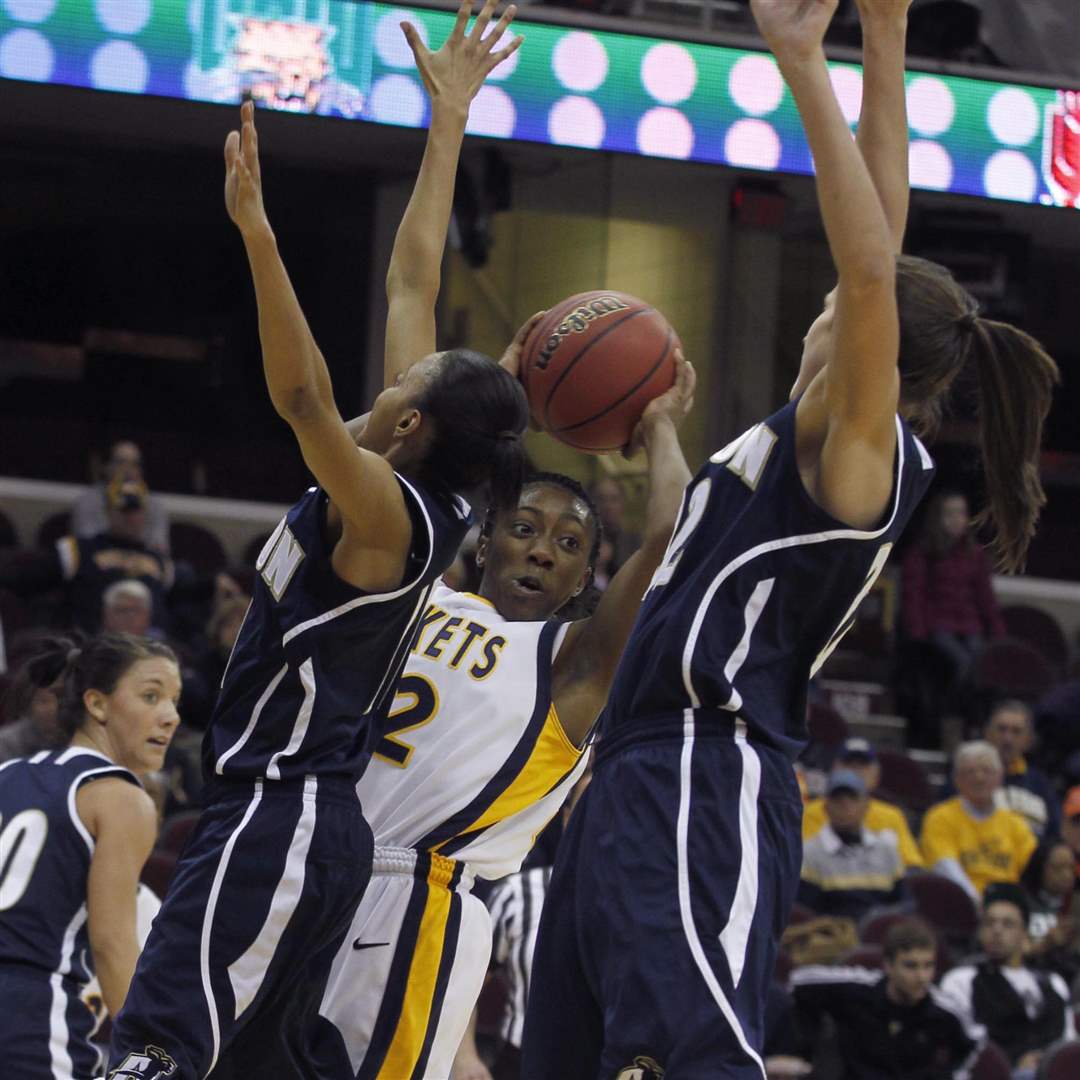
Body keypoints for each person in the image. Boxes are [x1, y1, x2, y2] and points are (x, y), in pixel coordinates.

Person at [520, 0, 1058, 1074]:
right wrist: (890, 36)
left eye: (843, 304)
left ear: (872, 343)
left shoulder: (864, 453)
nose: (827, 302)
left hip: (702, 764)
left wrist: (807, 60)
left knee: (686, 1059)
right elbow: (678, 540)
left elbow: (871, 264)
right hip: (633, 766)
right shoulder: (783, 445)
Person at [105, 66, 530, 1079]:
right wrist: (450, 124)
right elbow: (412, 280)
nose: (397, 376)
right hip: (312, 826)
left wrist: (257, 232)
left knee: (154, 1056)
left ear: (415, 422)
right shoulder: (434, 493)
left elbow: (301, 398)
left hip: (276, 817)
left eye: (410, 383)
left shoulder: (382, 508)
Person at [301, 8, 694, 1076]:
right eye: (526, 526)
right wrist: (448, 123)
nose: (544, 547)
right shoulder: (413, 576)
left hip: (422, 910)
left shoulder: (573, 666)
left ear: (582, 579)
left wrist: (658, 428)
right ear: (483, 540)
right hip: (306, 868)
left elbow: (667, 532)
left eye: (569, 544)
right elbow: (409, 304)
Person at [0, 633, 180, 1080]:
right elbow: (112, 944)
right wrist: (151, 1050)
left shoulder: (6, 772)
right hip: (29, 1013)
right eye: (151, 696)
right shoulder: (120, 798)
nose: (170, 717)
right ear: (97, 705)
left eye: (175, 701)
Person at [788, 918, 985, 1079]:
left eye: (928, 966)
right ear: (888, 965)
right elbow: (799, 981)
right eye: (910, 966)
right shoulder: (858, 989)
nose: (922, 976)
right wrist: (808, 1050)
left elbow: (975, 1041)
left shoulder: (944, 1010)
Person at [940, 883, 1076, 1074]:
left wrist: (1045, 1061)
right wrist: (1013, 1062)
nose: (997, 930)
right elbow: (960, 1048)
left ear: (1025, 933)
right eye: (989, 923)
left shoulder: (1053, 983)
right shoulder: (962, 980)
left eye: (1008, 924)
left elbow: (1068, 1046)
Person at [901, 490, 1005, 683]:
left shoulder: (975, 554)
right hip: (937, 625)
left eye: (961, 513)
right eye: (950, 513)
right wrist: (917, 632)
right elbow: (913, 596)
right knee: (961, 662)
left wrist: (997, 630)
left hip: (969, 624)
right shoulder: (923, 553)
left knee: (981, 661)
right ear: (938, 518)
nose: (956, 519)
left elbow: (985, 596)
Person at [920, 741, 1037, 900]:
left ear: (999, 777)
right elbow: (945, 867)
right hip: (958, 903)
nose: (979, 778)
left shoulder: (1016, 823)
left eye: (987, 771)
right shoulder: (940, 817)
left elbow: (1032, 869)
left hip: (1008, 903)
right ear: (957, 779)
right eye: (970, 771)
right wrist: (979, 902)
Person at [798, 768, 906, 920]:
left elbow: (904, 904)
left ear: (866, 806)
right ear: (825, 807)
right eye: (837, 798)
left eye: (852, 797)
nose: (845, 804)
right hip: (832, 938)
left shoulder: (887, 850)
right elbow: (806, 911)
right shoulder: (810, 853)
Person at [802, 737, 923, 869]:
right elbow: (805, 861)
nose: (856, 770)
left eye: (863, 764)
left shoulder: (892, 815)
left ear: (877, 774)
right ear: (833, 769)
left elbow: (911, 865)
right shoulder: (813, 811)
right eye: (848, 763)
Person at [72, 440, 171, 555]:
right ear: (106, 467)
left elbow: (160, 550)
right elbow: (86, 546)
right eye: (121, 463)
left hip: (141, 566)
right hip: (100, 566)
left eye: (135, 464)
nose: (128, 470)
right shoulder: (88, 500)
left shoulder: (154, 505)